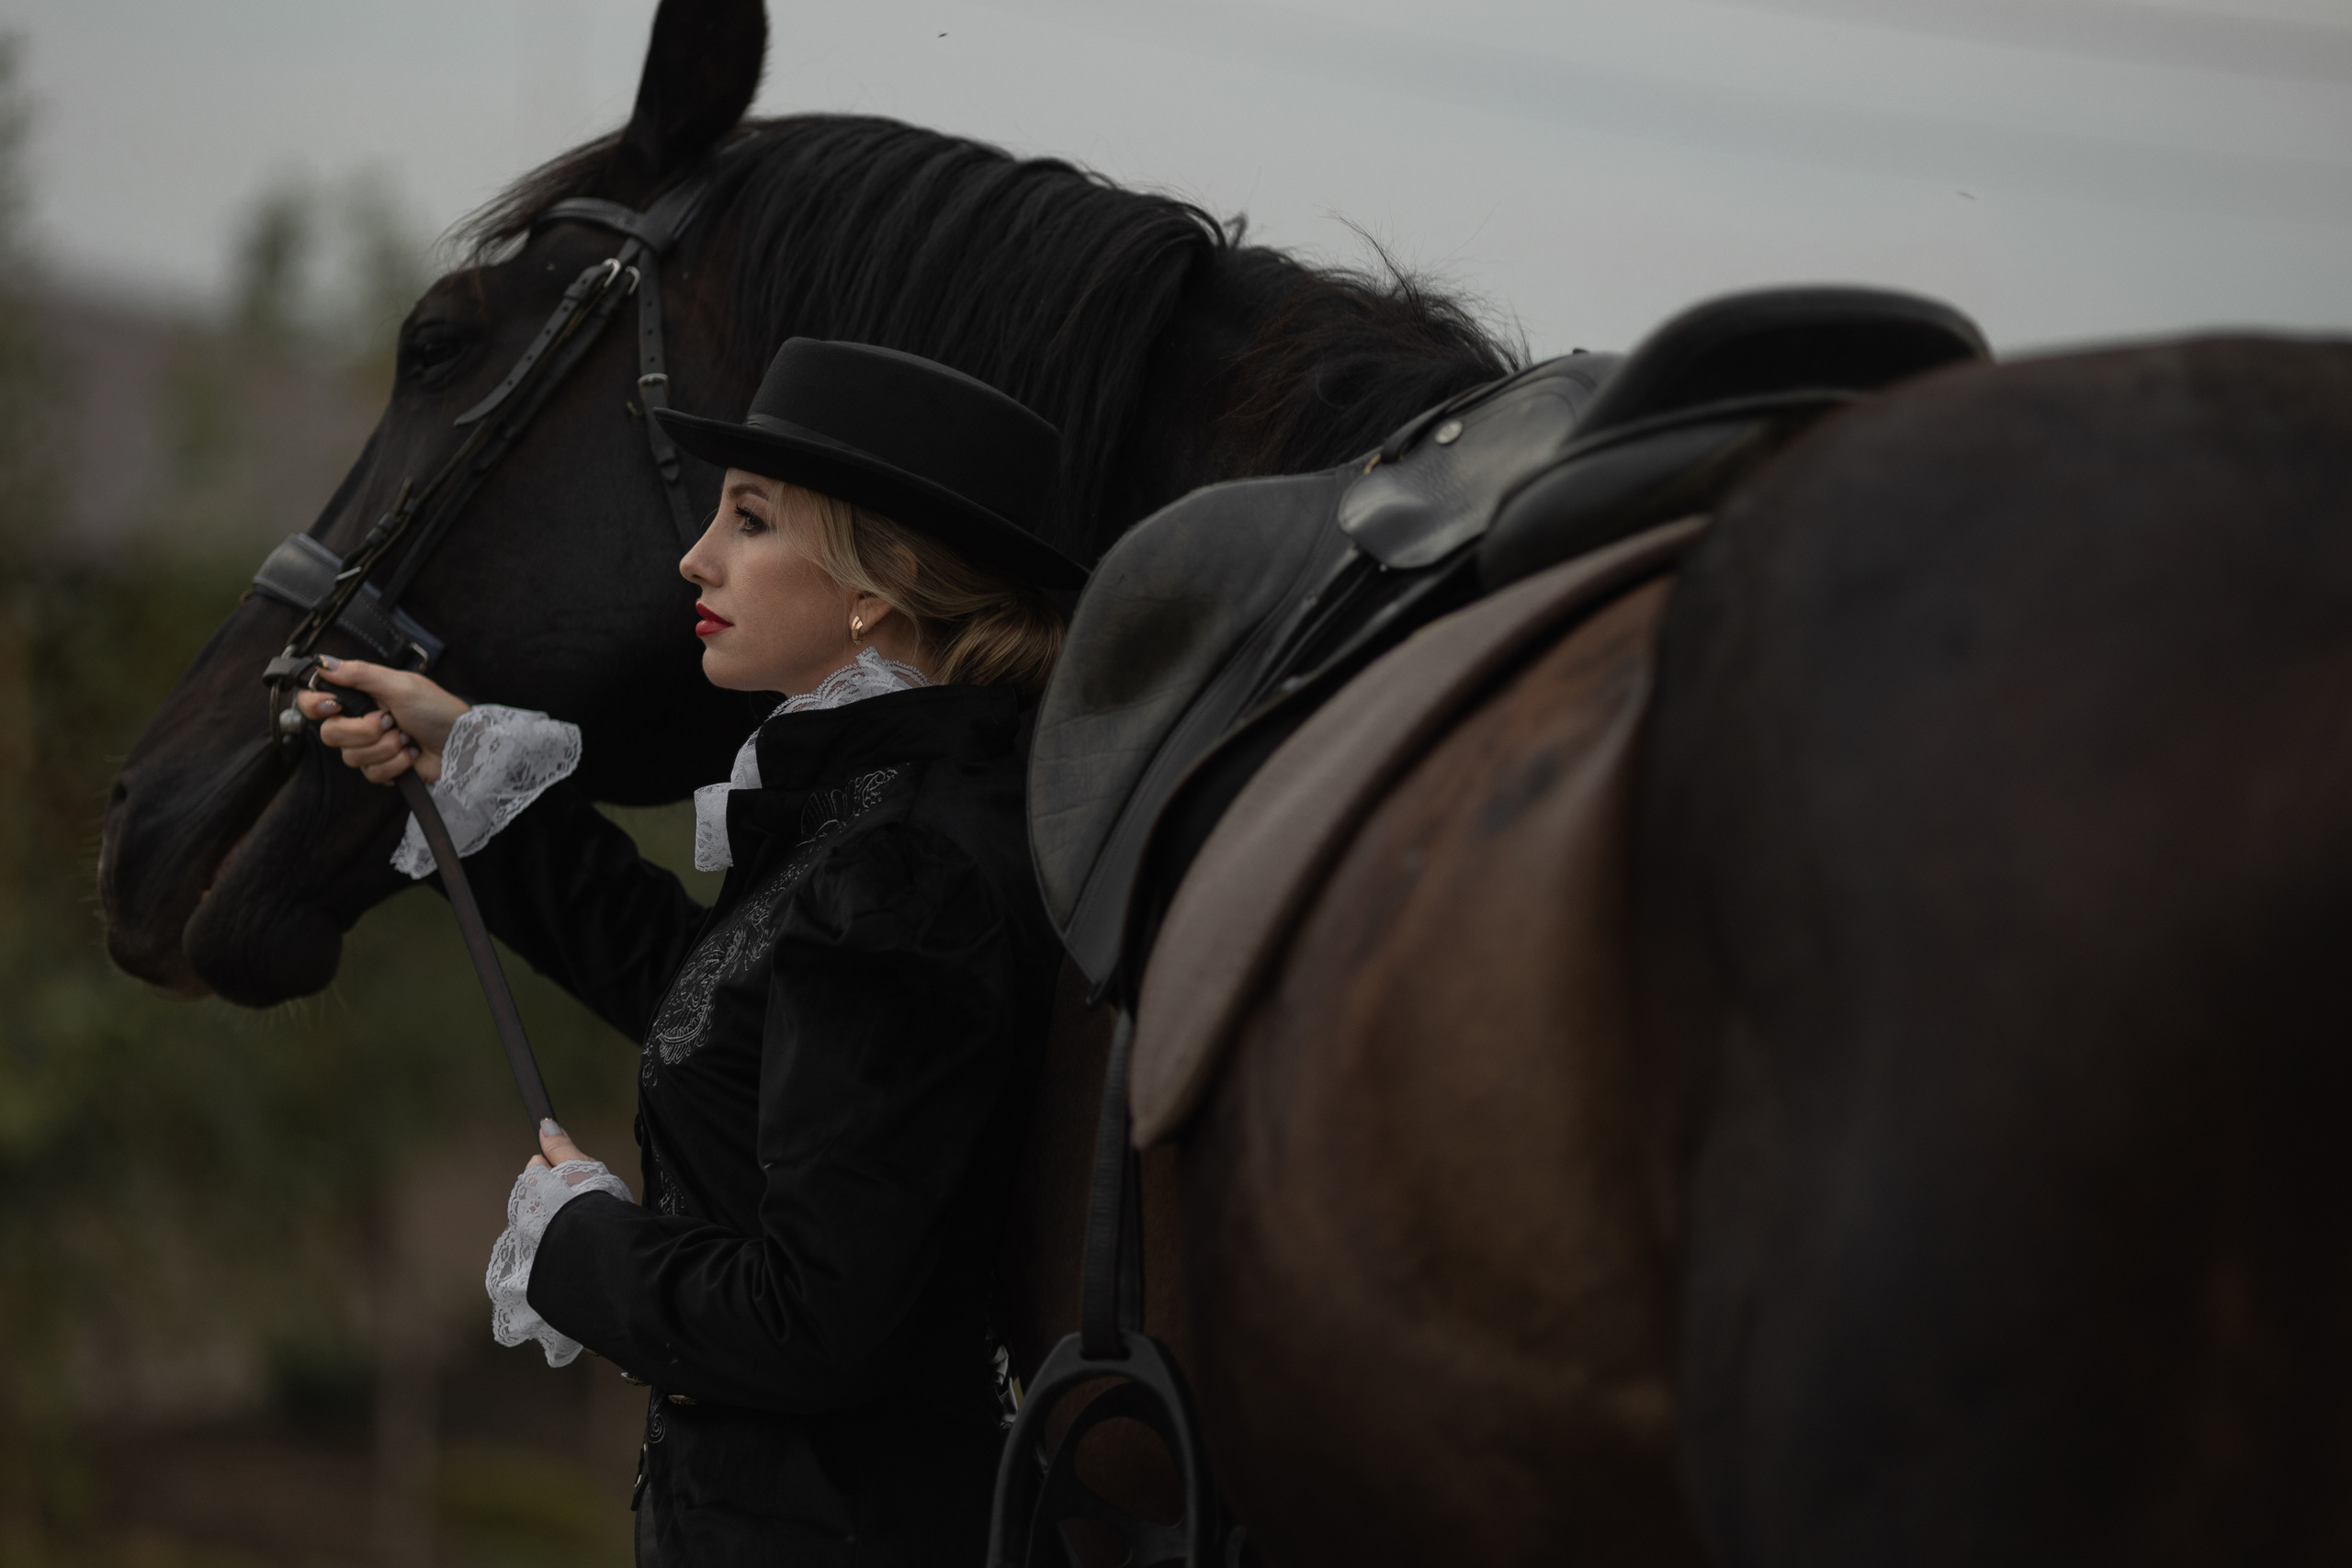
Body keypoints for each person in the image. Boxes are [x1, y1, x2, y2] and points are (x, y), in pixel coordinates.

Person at [296, 339, 1087, 1565]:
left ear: (881, 583)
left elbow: (813, 1323)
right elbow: (717, 1006)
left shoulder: (905, 870)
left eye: (751, 520)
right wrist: (471, 765)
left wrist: (580, 1246)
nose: (697, 557)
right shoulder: (871, 817)